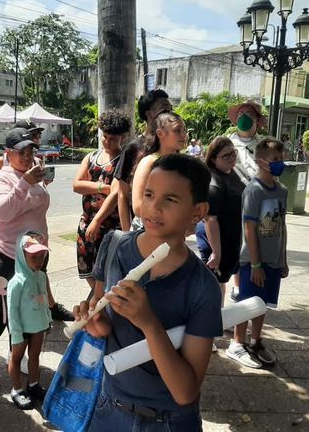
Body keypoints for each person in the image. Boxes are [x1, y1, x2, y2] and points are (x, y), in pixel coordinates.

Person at [74, 154, 222, 432]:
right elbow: (103, 317)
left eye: (170, 199)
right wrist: (95, 323)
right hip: (109, 408)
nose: (154, 207)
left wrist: (149, 323)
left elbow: (186, 392)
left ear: (198, 212)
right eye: (149, 194)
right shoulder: (115, 245)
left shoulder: (202, 287)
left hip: (167, 421)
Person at [0, 127, 72, 395]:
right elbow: (1, 212)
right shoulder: (2, 179)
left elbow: (35, 206)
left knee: (28, 311)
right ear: (8, 153)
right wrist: (25, 183)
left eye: (31, 150)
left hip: (34, 256)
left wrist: (36, 183)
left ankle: (19, 355)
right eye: (21, 151)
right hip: (4, 255)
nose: (28, 156)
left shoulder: (33, 174)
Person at [226, 137, 288, 369]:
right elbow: (249, 228)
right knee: (247, 302)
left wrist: (282, 259)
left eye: (281, 159)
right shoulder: (254, 190)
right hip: (253, 260)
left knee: (263, 304)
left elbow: (282, 226)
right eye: (274, 159)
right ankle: (237, 343)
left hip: (273, 259)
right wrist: (255, 264)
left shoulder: (282, 190)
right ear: (261, 161)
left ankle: (256, 340)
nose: (279, 163)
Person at [73, 110, 131, 287]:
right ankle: (98, 300)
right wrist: (103, 187)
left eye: (112, 138)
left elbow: (115, 195)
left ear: (123, 137)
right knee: (87, 269)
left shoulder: (124, 160)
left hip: (110, 227)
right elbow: (77, 185)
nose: (107, 141)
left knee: (107, 272)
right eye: (105, 136)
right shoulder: (91, 157)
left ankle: (103, 303)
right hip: (87, 222)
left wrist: (97, 221)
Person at [195, 137, 246, 303]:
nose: (232, 158)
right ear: (213, 159)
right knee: (213, 282)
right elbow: (210, 220)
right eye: (226, 155)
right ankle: (213, 320)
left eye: (233, 153)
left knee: (221, 280)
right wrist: (216, 252)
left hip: (230, 237)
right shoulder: (214, 183)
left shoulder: (234, 173)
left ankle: (219, 318)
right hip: (215, 239)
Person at [226, 101, 268, 302]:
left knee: (253, 243)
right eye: (241, 113)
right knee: (236, 244)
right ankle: (237, 287)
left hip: (257, 202)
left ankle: (253, 283)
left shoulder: (264, 145)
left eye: (249, 114)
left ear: (258, 120)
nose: (244, 116)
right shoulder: (226, 143)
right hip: (232, 201)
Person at [114, 89, 171, 231]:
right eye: (164, 108)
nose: (169, 112)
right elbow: (122, 194)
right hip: (141, 228)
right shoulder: (133, 149)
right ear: (149, 114)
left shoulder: (171, 147)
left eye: (171, 109)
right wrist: (127, 234)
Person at [7, 231, 52, 410]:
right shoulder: (16, 282)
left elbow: (44, 299)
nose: (39, 261)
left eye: (42, 256)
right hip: (22, 329)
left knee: (35, 356)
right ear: (21, 255)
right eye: (34, 257)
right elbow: (12, 310)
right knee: (16, 358)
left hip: (38, 325)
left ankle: (33, 384)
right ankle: (16, 389)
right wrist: (16, 332)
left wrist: (47, 319)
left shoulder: (41, 276)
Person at [131, 111, 188, 228]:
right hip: (148, 231)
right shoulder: (148, 163)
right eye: (177, 130)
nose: (183, 135)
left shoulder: (182, 163)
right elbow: (137, 206)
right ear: (160, 134)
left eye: (184, 130)